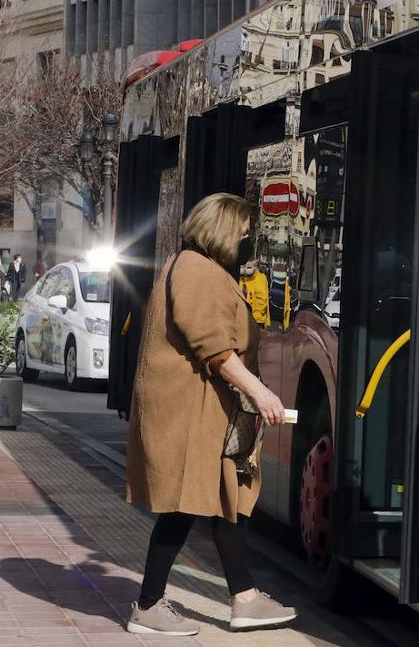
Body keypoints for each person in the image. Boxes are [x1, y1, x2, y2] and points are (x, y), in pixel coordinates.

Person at [125, 193, 294, 637]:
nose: (245, 240)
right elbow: (214, 348)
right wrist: (260, 392)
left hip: (197, 412)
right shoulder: (197, 271)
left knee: (220, 500)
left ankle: (245, 598)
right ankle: (148, 606)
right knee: (185, 505)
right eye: (242, 232)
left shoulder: (193, 267)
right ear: (223, 229)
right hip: (188, 413)